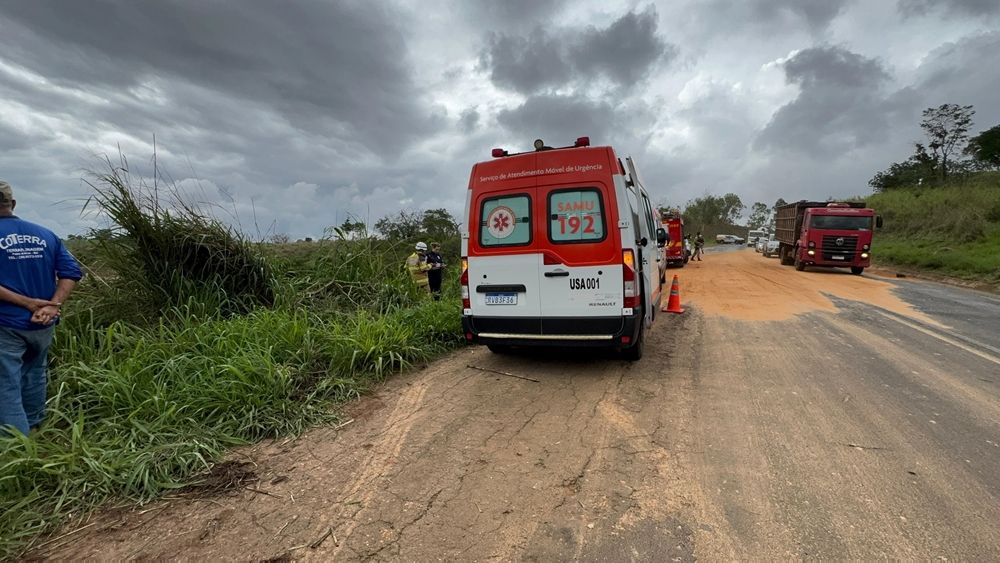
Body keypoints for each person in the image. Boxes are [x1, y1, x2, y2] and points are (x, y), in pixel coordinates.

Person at [0, 181, 83, 436]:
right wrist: (53, 306)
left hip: (6, 324)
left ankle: (16, 447)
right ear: (12, 204)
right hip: (44, 323)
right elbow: (71, 272)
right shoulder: (45, 234)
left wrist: (27, 303)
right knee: (35, 374)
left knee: (6, 384)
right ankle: (35, 428)